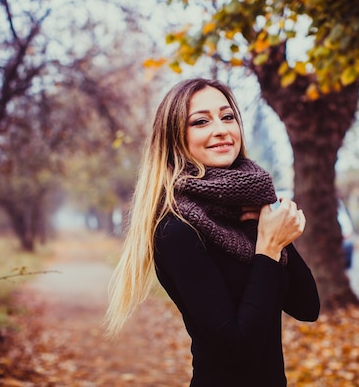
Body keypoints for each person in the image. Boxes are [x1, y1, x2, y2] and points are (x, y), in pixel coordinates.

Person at [104, 78, 320, 387]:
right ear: (175, 138)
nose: (221, 129)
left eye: (227, 116)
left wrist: (271, 232)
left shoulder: (246, 209)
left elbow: (307, 306)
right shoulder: (176, 229)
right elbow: (237, 351)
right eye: (201, 121)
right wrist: (269, 249)